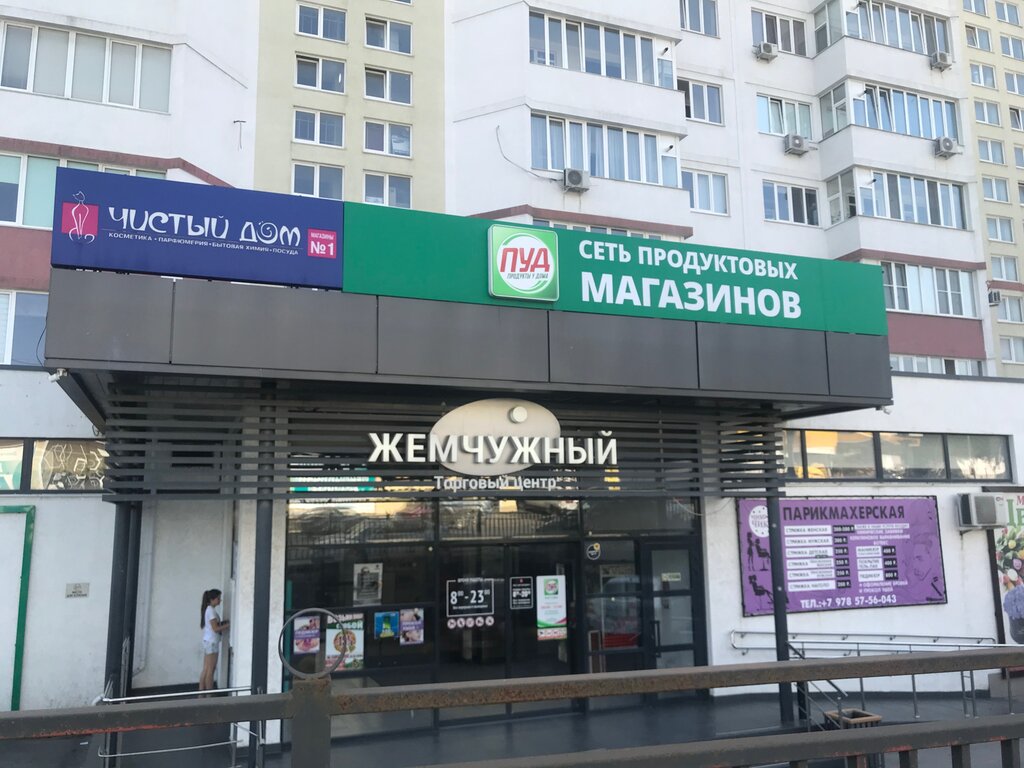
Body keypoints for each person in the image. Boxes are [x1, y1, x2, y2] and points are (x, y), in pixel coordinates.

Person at [199, 589, 230, 691]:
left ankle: (201, 693)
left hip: (208, 641)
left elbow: (214, 625)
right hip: (212, 642)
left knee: (206, 668)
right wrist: (228, 625)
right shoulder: (211, 611)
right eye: (218, 598)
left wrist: (222, 623)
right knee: (210, 670)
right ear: (212, 599)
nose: (220, 600)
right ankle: (209, 694)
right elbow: (215, 629)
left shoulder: (208, 610)